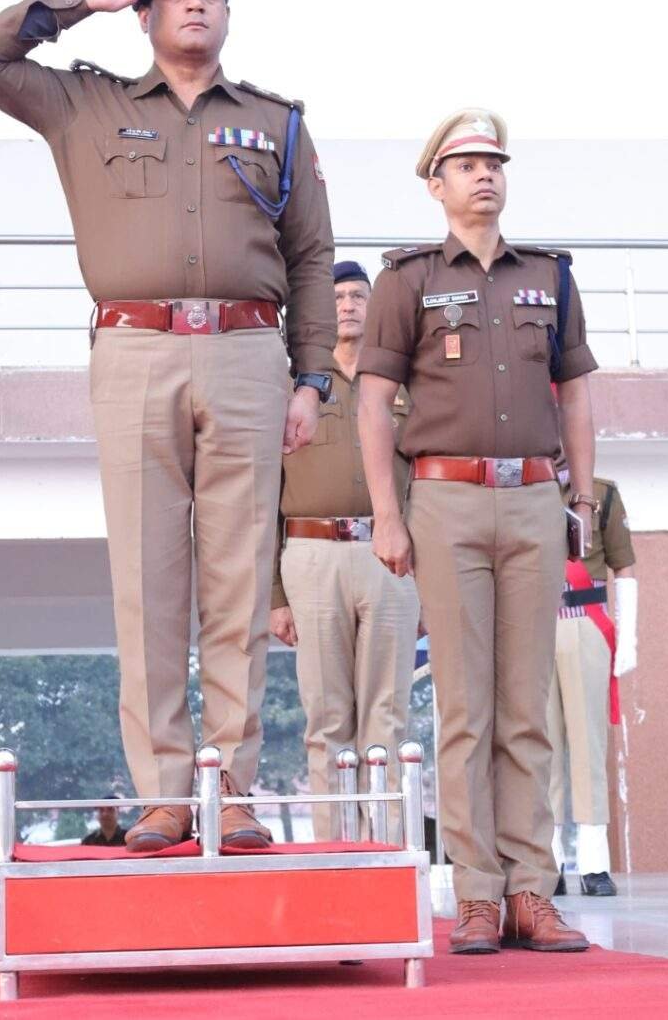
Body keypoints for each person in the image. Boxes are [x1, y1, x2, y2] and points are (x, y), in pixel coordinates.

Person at [0, 0, 336, 851]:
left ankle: (230, 790)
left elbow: (312, 256)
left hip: (247, 350)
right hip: (135, 351)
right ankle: (165, 792)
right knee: (146, 577)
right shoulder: (85, 104)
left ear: (228, 13)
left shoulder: (276, 122)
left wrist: (313, 376)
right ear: (145, 14)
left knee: (239, 579)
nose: (197, 4)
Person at [356, 110, 595, 954]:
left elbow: (575, 393)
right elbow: (373, 403)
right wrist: (388, 513)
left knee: (526, 708)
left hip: (533, 499)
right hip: (445, 500)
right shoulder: (406, 280)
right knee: (464, 709)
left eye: (494, 161)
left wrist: (583, 499)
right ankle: (477, 895)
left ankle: (533, 890)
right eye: (465, 164)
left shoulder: (550, 276)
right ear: (437, 185)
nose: (484, 173)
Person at [270, 261, 419, 840]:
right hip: (311, 556)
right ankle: (335, 853)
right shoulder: (294, 388)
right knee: (326, 717)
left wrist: (427, 582)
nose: (350, 305)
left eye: (359, 295)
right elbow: (265, 494)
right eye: (338, 297)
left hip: (391, 558)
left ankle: (386, 848)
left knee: (388, 714)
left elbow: (425, 487)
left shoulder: (404, 385)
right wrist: (274, 596)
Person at [549, 471, 636, 897]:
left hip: (586, 621)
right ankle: (546, 861)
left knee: (589, 744)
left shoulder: (601, 492)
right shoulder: (519, 486)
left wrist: (629, 637)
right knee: (539, 748)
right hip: (531, 626)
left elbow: (624, 566)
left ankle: (594, 862)